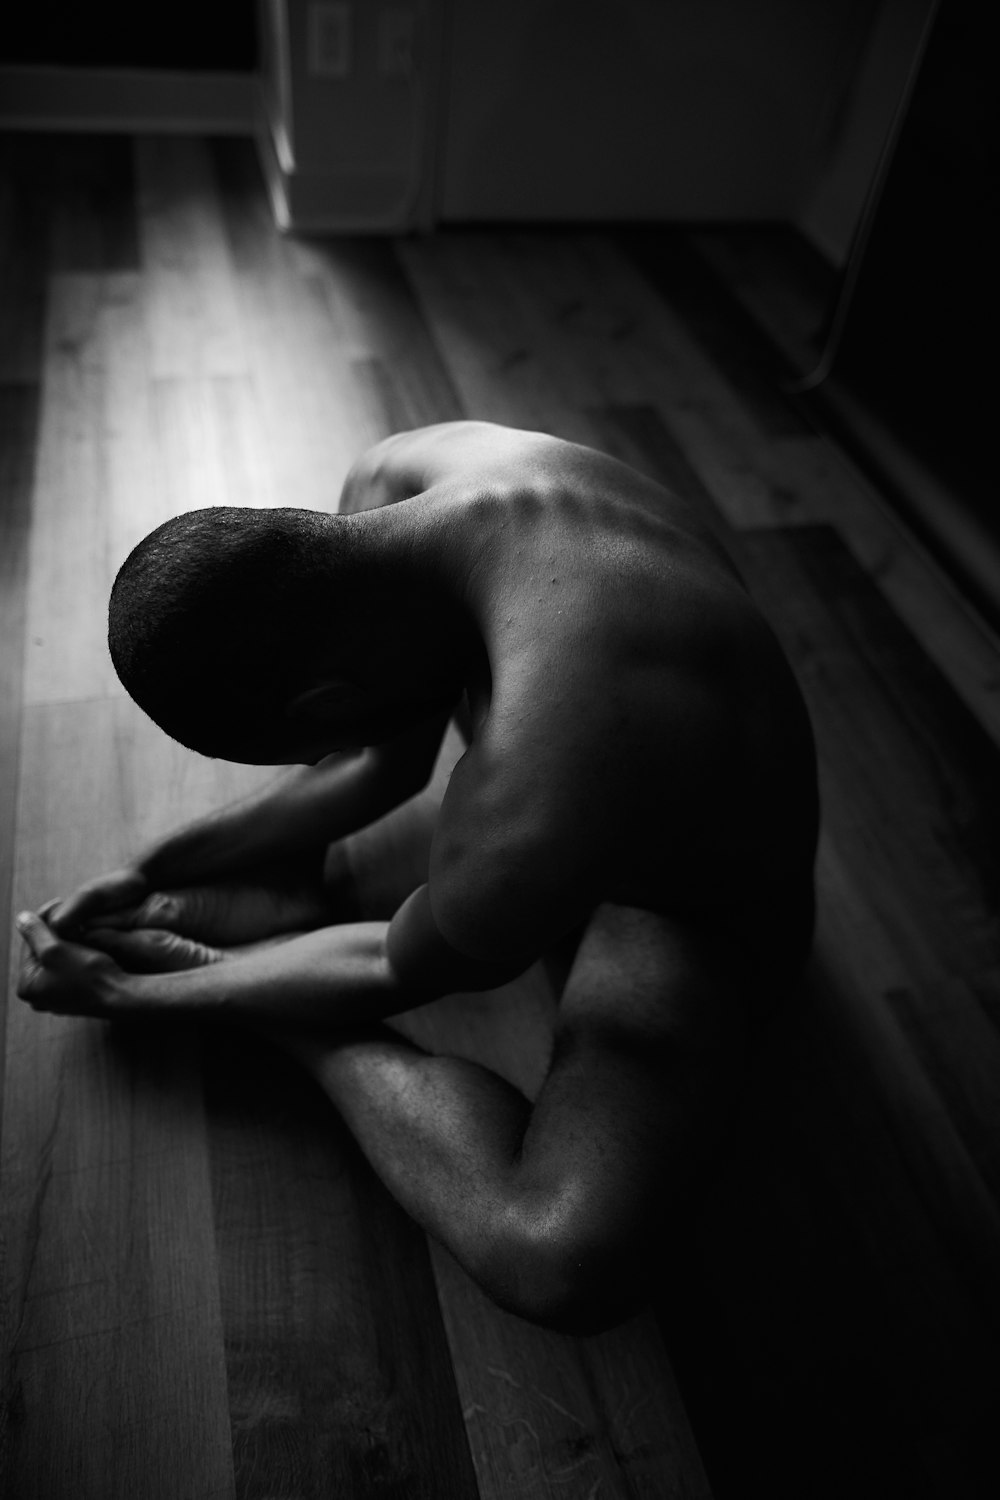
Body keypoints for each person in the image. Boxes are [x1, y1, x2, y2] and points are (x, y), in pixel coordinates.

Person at [16, 420, 818, 1334]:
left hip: (697, 908)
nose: (324, 758)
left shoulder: (536, 778)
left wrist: (140, 987)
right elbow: (381, 768)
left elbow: (395, 966)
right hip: (618, 760)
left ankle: (296, 1031)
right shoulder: (399, 481)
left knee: (554, 1255)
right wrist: (150, 867)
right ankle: (270, 973)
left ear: (328, 706)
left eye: (311, 744)